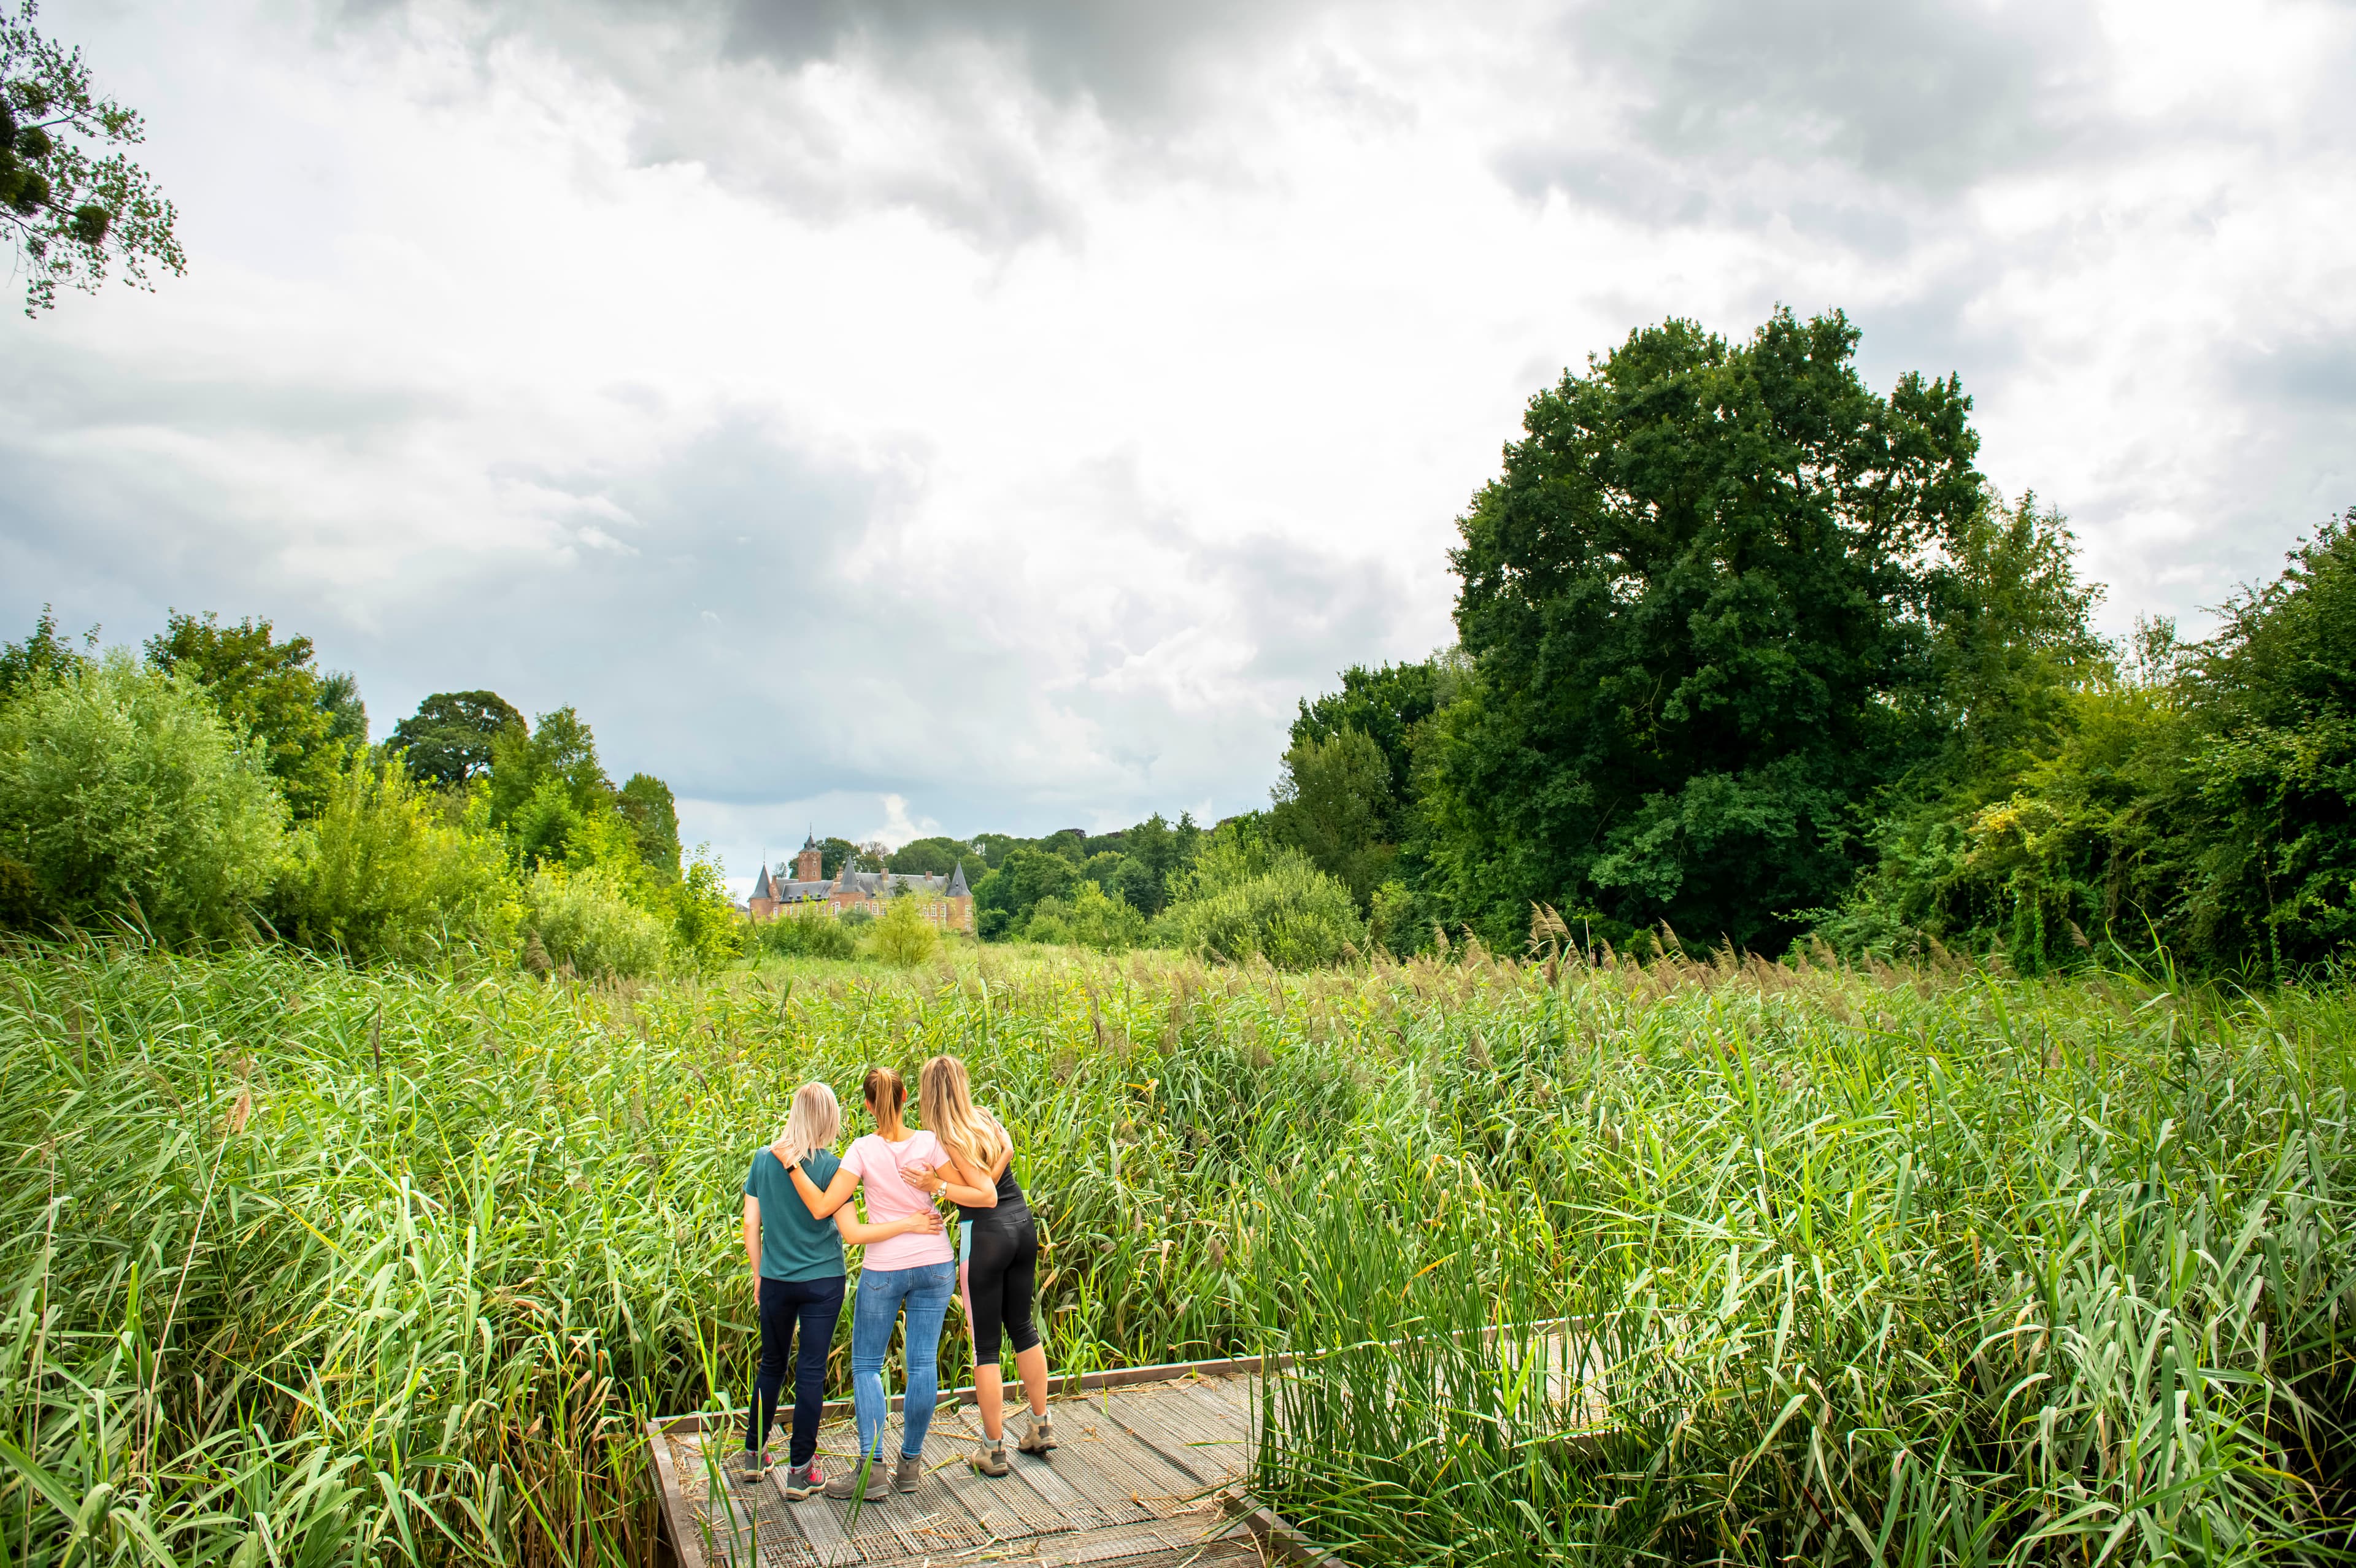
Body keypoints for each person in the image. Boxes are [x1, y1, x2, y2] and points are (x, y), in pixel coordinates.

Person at [735, 1082, 941, 1497]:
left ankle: (755, 1455)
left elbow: (749, 1224)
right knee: (811, 1369)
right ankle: (801, 1470)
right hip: (823, 1281)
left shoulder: (762, 1159)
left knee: (771, 1365)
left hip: (775, 1278)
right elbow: (846, 1227)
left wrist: (759, 1273)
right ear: (830, 1119)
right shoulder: (832, 1166)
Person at [790, 1066, 957, 1502]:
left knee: (867, 1365)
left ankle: (873, 1469)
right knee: (922, 1364)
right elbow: (961, 1186)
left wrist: (791, 1164)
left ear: (867, 1106)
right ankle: (911, 1466)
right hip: (936, 1261)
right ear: (906, 1097)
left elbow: (825, 1206)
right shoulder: (929, 1142)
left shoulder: (861, 1150)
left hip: (885, 1267)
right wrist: (934, 1188)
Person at [903, 1053, 1054, 1476]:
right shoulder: (984, 1118)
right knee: (1023, 1328)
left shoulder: (943, 1138)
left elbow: (984, 1195)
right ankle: (1040, 1426)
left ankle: (993, 1448)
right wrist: (1004, 1152)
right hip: (1022, 1226)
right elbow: (997, 1170)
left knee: (985, 1347)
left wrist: (938, 1186)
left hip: (985, 1235)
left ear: (928, 1093)